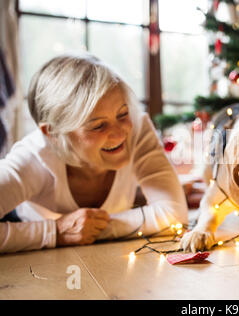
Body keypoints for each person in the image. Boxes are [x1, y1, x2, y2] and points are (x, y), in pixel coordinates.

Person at [0, 54, 188, 253]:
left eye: (123, 114)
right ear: (52, 133)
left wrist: (93, 229)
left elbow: (174, 214)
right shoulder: (32, 158)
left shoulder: (138, 129)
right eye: (98, 126)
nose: (119, 133)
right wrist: (54, 232)